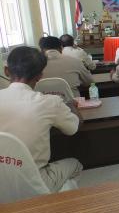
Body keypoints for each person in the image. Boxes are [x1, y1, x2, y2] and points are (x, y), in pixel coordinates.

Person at [0, 46, 82, 192]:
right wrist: (72, 106)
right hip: (34, 182)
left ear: (6, 71)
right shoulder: (50, 102)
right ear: (40, 75)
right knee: (75, 164)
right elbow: (73, 128)